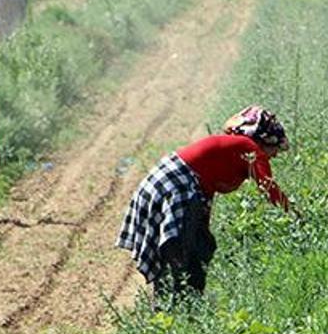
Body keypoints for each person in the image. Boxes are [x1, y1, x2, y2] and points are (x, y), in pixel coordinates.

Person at [117, 105, 291, 299]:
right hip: (176, 187)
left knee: (198, 247)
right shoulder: (249, 148)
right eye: (275, 148)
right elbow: (269, 188)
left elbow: (207, 187)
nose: (275, 155)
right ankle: (177, 305)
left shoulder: (236, 147)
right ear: (263, 139)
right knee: (183, 255)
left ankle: (179, 304)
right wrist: (297, 217)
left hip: (165, 182)